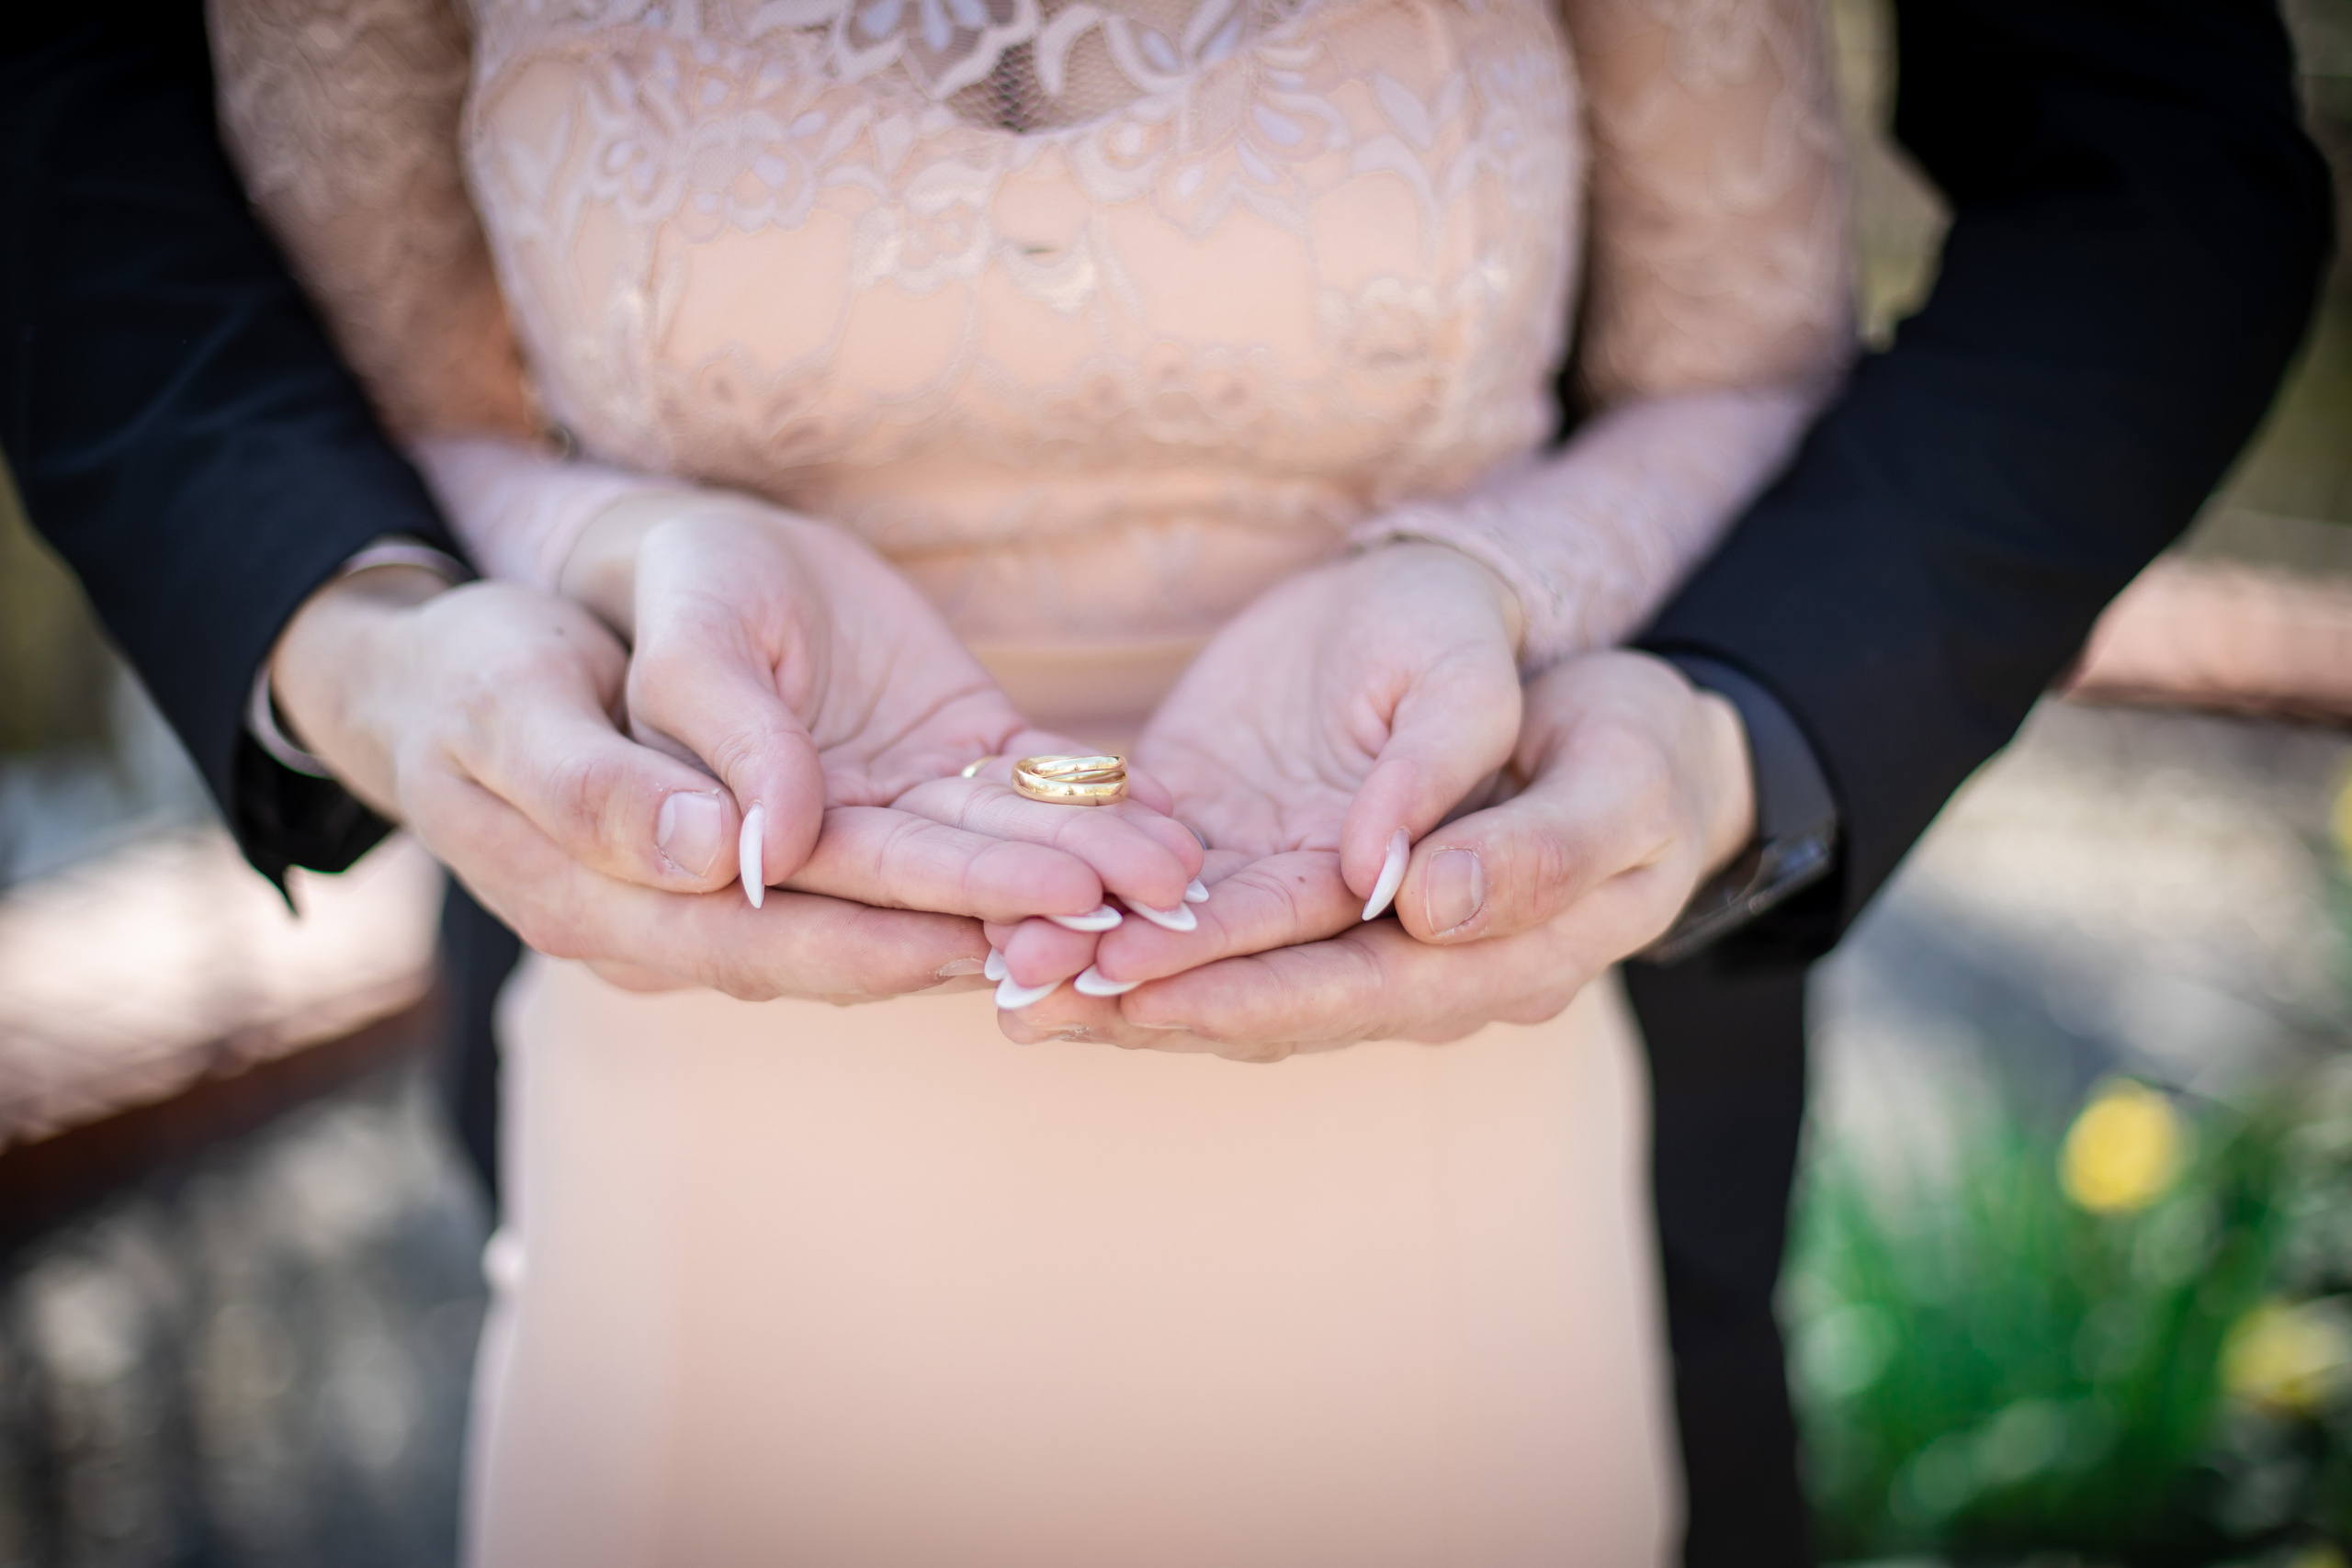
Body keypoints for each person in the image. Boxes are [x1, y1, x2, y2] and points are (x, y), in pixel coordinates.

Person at [1, 2, 2328, 1565]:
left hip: (1460, 1058)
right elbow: (132, 183)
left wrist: (1544, 619)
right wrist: (502, 597)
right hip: (704, 1122)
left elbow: (2040, 229)